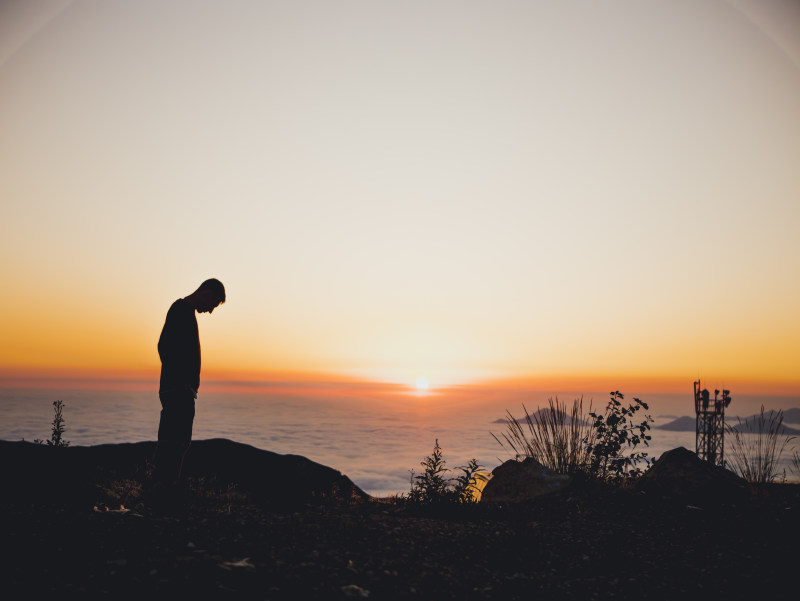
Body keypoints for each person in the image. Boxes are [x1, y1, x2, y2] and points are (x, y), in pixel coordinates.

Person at [152, 278, 226, 485]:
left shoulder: (184, 311)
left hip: (178, 389)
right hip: (177, 390)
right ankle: (162, 490)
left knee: (176, 442)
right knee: (174, 443)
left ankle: (161, 489)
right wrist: (181, 381)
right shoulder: (181, 310)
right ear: (206, 293)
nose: (210, 311)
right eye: (213, 304)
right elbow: (164, 346)